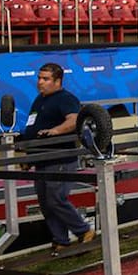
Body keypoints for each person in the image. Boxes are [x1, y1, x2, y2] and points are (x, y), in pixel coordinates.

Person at [21, 63, 95, 256]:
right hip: (41, 159)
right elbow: (33, 127)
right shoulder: (39, 100)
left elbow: (74, 120)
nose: (40, 82)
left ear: (57, 81)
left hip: (60, 157)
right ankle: (60, 240)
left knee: (56, 199)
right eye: (39, 78)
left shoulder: (66, 99)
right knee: (45, 202)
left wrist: (55, 131)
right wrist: (29, 156)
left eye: (45, 79)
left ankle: (83, 230)